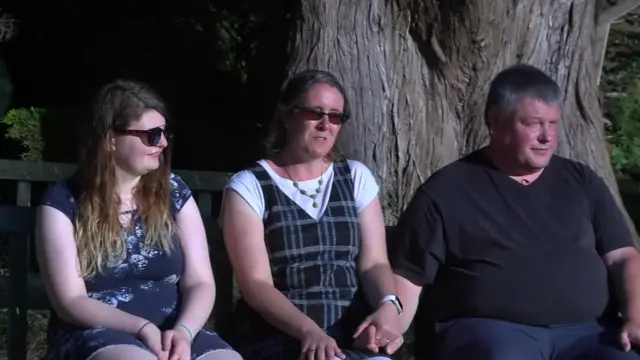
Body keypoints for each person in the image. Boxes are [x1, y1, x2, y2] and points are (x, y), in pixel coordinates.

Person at [390, 64, 640, 360]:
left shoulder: (581, 181)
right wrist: (390, 325)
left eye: (553, 124)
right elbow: (409, 274)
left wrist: (636, 317)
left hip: (588, 333)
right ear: (496, 121)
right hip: (492, 332)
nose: (546, 137)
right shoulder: (447, 190)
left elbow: (623, 255)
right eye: (533, 124)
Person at [35, 79, 242, 360]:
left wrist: (184, 331)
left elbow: (200, 282)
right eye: (151, 135)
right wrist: (141, 328)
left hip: (174, 330)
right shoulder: (63, 203)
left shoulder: (173, 192)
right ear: (110, 140)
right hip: (96, 333)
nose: (163, 143)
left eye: (165, 133)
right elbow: (71, 301)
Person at [219, 69, 403, 360]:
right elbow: (256, 285)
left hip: (351, 334)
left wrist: (389, 304)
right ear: (288, 116)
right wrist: (309, 330)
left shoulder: (356, 177)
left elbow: (374, 263)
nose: (325, 124)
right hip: (282, 336)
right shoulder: (250, 186)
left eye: (335, 116)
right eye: (314, 113)